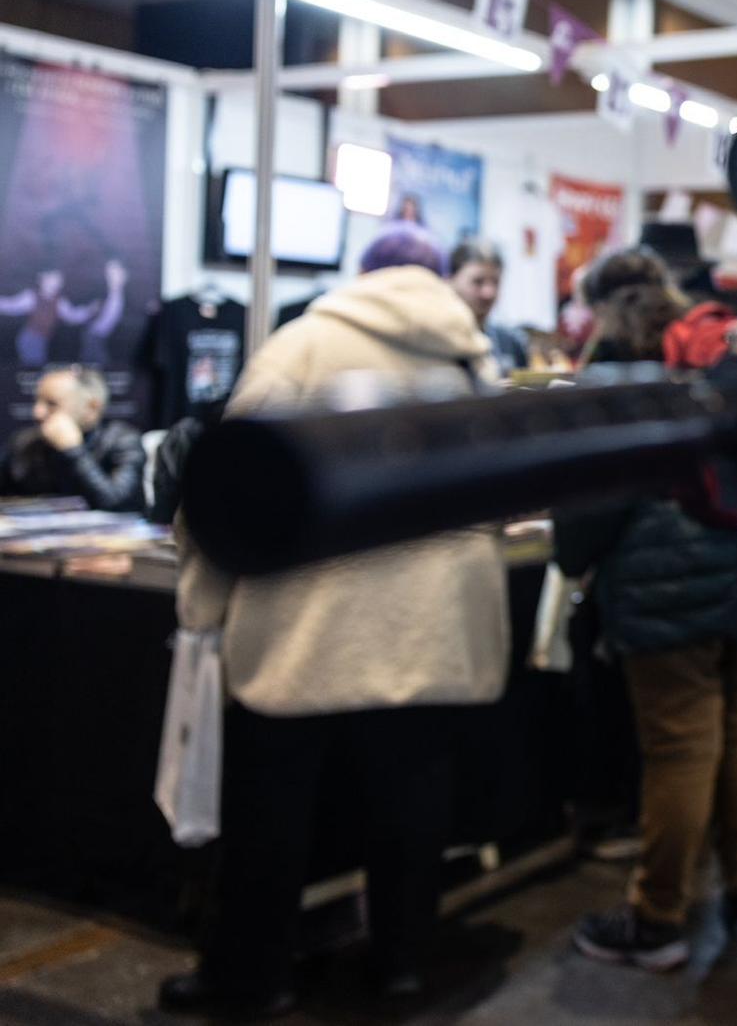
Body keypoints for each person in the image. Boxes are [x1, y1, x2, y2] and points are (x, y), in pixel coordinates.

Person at [159, 224, 510, 1016]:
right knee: (410, 812)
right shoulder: (468, 359)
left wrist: (202, 605)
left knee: (271, 816)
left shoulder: (303, 347)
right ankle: (401, 968)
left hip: (306, 624)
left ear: (361, 277)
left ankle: (254, 977)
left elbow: (223, 487)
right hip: (432, 629)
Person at [560, 253, 737, 972]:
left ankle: (658, 920)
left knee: (680, 748)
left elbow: (589, 502)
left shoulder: (618, 379)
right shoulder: (722, 353)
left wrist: (574, 558)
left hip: (665, 591)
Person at [0, 364, 144, 511]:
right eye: (37, 401)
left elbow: (117, 503)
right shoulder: (25, 442)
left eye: (52, 404)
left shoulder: (122, 440)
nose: (37, 412)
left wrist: (73, 451)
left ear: (91, 408)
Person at [446, 237, 531, 374]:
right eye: (478, 282)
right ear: (450, 280)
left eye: (495, 282)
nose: (489, 293)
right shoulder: (436, 343)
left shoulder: (512, 343)